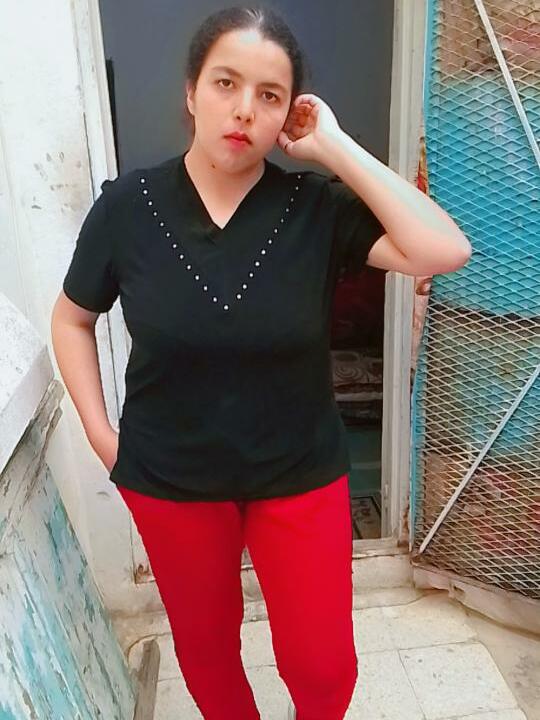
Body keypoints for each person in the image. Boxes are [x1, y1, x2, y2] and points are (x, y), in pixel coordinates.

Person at [50, 6, 471, 719]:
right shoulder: (127, 208)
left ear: (288, 116)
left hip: (299, 472)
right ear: (191, 92)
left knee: (323, 666)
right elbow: (72, 318)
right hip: (171, 476)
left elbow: (444, 249)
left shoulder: (314, 207)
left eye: (270, 95)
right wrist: (99, 433)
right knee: (207, 653)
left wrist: (334, 147)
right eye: (226, 83)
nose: (245, 109)